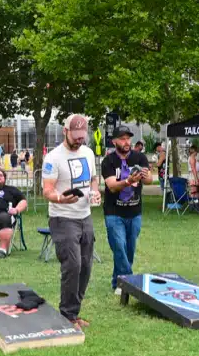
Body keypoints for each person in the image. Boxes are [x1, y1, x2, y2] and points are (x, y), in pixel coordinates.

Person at [42, 114, 100, 328]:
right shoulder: (53, 158)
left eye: (82, 136)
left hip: (85, 216)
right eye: (75, 136)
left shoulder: (88, 153)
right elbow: (46, 190)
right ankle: (67, 315)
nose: (79, 140)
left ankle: (74, 313)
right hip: (62, 217)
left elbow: (93, 179)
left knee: (85, 266)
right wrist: (60, 198)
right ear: (64, 131)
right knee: (72, 265)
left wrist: (95, 192)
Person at [101, 125, 151, 293]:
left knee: (129, 249)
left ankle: (118, 282)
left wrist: (146, 176)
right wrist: (128, 181)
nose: (126, 142)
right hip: (114, 212)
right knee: (119, 246)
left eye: (128, 138)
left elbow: (150, 180)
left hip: (134, 212)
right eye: (122, 139)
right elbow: (112, 186)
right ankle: (129, 282)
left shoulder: (140, 157)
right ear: (114, 141)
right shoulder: (108, 161)